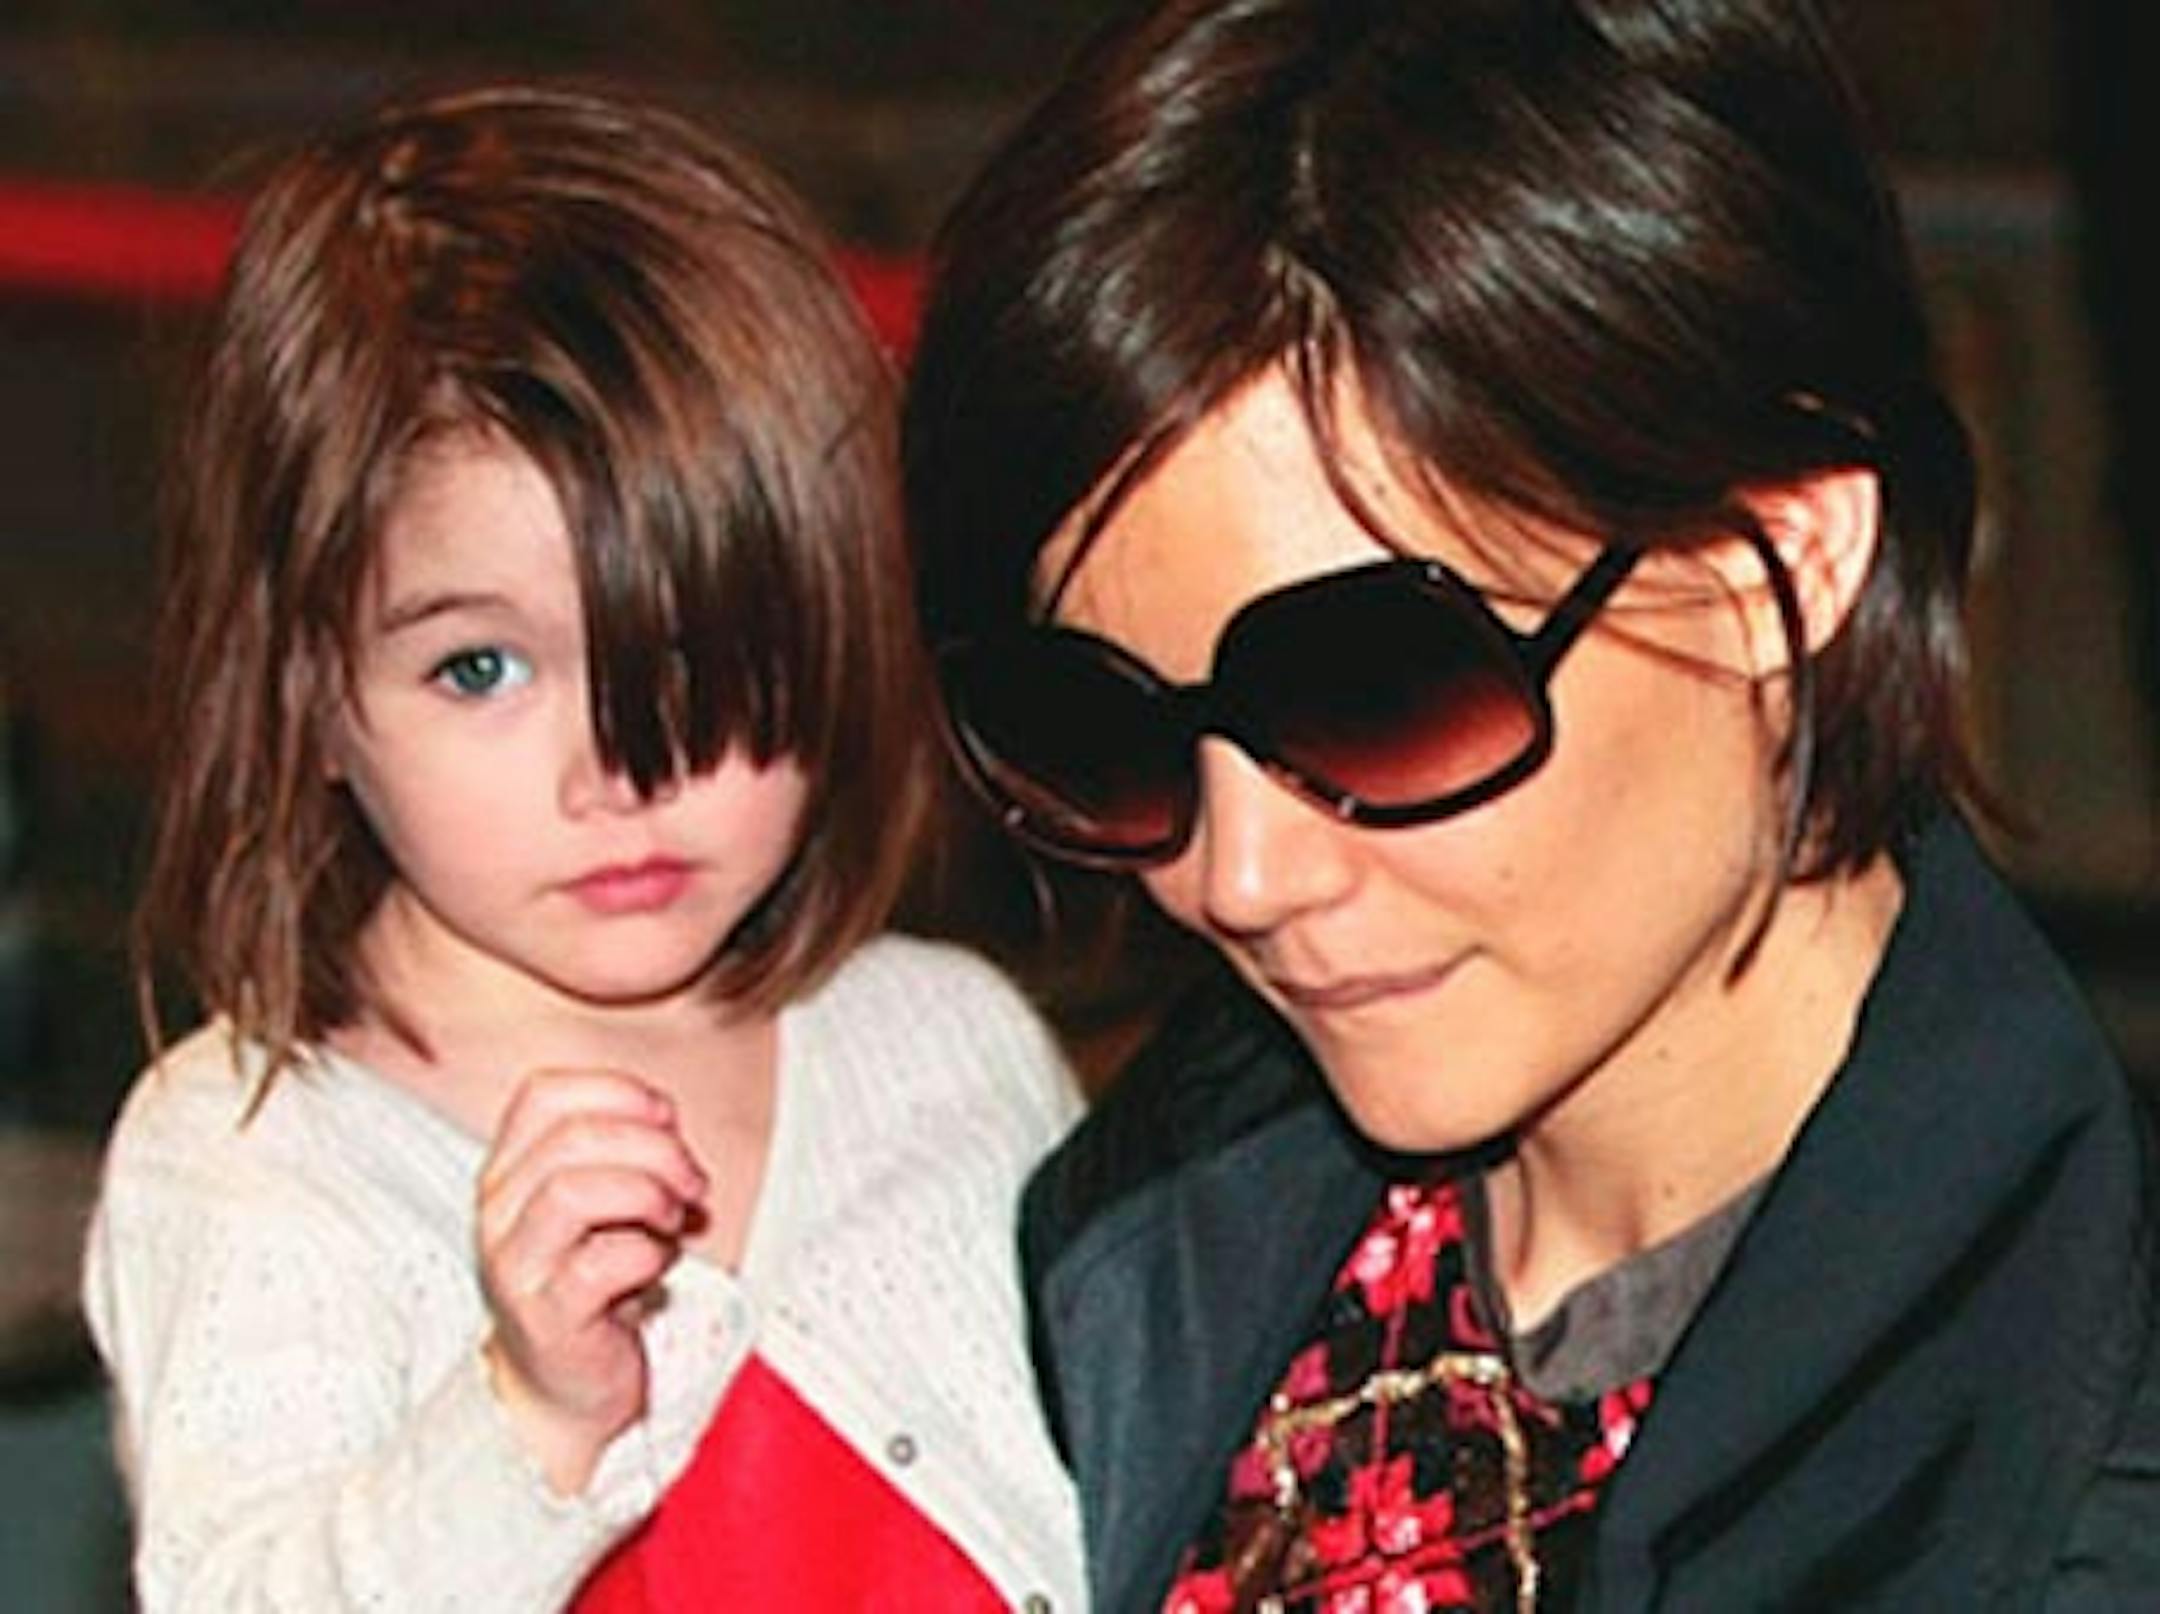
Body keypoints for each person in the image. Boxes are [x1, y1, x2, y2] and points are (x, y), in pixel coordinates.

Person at [903, 1, 2160, 1607]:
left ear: (1779, 572)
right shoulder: (1166, 1205)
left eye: (1373, 690)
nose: (1240, 871)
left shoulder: (2064, 1496)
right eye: (1103, 729)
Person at [84, 83, 1084, 1612]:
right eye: (480, 668)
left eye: (698, 655)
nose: (619, 770)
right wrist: (526, 1419)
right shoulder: (256, 1155)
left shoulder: (952, 1050)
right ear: (313, 696)